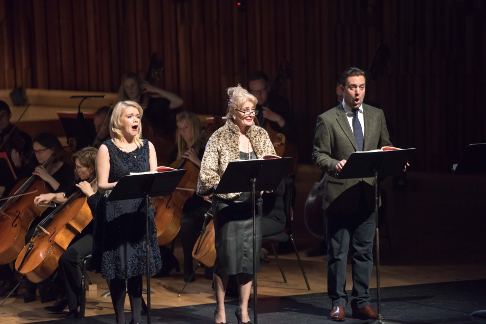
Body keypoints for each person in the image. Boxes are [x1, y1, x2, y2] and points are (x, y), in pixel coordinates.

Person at [312, 67, 393, 321]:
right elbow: (318, 154)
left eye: (361, 87)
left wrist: (394, 158)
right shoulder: (327, 119)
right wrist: (334, 164)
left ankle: (361, 302)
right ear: (341, 89)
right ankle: (338, 302)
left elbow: (385, 146)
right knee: (337, 253)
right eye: (352, 87)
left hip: (367, 194)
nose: (357, 92)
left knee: (364, 252)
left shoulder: (376, 115)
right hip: (339, 196)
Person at [197, 85, 276, 324]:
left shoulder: (261, 135)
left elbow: (272, 164)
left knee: (248, 260)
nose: (251, 115)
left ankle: (243, 310)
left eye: (253, 110)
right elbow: (205, 175)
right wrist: (218, 181)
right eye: (245, 111)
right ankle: (220, 309)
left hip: (252, 205)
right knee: (225, 261)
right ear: (232, 112)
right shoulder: (218, 137)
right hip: (228, 207)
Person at [93, 100, 162, 324]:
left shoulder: (147, 146)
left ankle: (137, 319)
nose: (135, 120)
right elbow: (101, 185)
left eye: (137, 116)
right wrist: (124, 183)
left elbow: (153, 178)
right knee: (118, 270)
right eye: (130, 116)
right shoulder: (107, 148)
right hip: (116, 214)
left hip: (139, 213)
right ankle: (120, 320)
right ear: (118, 121)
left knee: (136, 269)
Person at [33, 147, 99, 318]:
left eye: (79, 167)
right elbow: (67, 195)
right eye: (75, 167)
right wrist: (51, 196)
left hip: (97, 232)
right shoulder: (82, 183)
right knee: (53, 254)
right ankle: (68, 299)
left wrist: (90, 194)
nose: (75, 170)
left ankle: (76, 306)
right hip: (81, 232)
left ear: (91, 168)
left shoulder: (100, 185)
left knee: (68, 257)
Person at [157, 111, 211, 282]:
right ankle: (166, 259)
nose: (183, 132)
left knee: (187, 222)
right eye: (180, 129)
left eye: (186, 127)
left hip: (202, 201)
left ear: (195, 127)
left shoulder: (206, 150)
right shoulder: (177, 152)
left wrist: (197, 161)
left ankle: (188, 265)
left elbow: (215, 178)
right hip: (180, 202)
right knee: (150, 219)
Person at [118, 72, 183, 137]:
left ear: (139, 85)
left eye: (133, 85)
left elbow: (179, 102)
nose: (130, 89)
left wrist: (155, 89)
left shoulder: (154, 103)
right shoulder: (124, 110)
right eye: (127, 87)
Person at [248, 71, 295, 141]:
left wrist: (279, 119)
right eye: (254, 92)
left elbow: (295, 135)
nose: (259, 95)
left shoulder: (280, 103)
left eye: (261, 91)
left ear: (268, 88)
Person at [0, 100, 32, 195]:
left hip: (15, 185)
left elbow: (29, 170)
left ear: (9, 114)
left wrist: (18, 165)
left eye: (2, 115)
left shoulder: (23, 138)